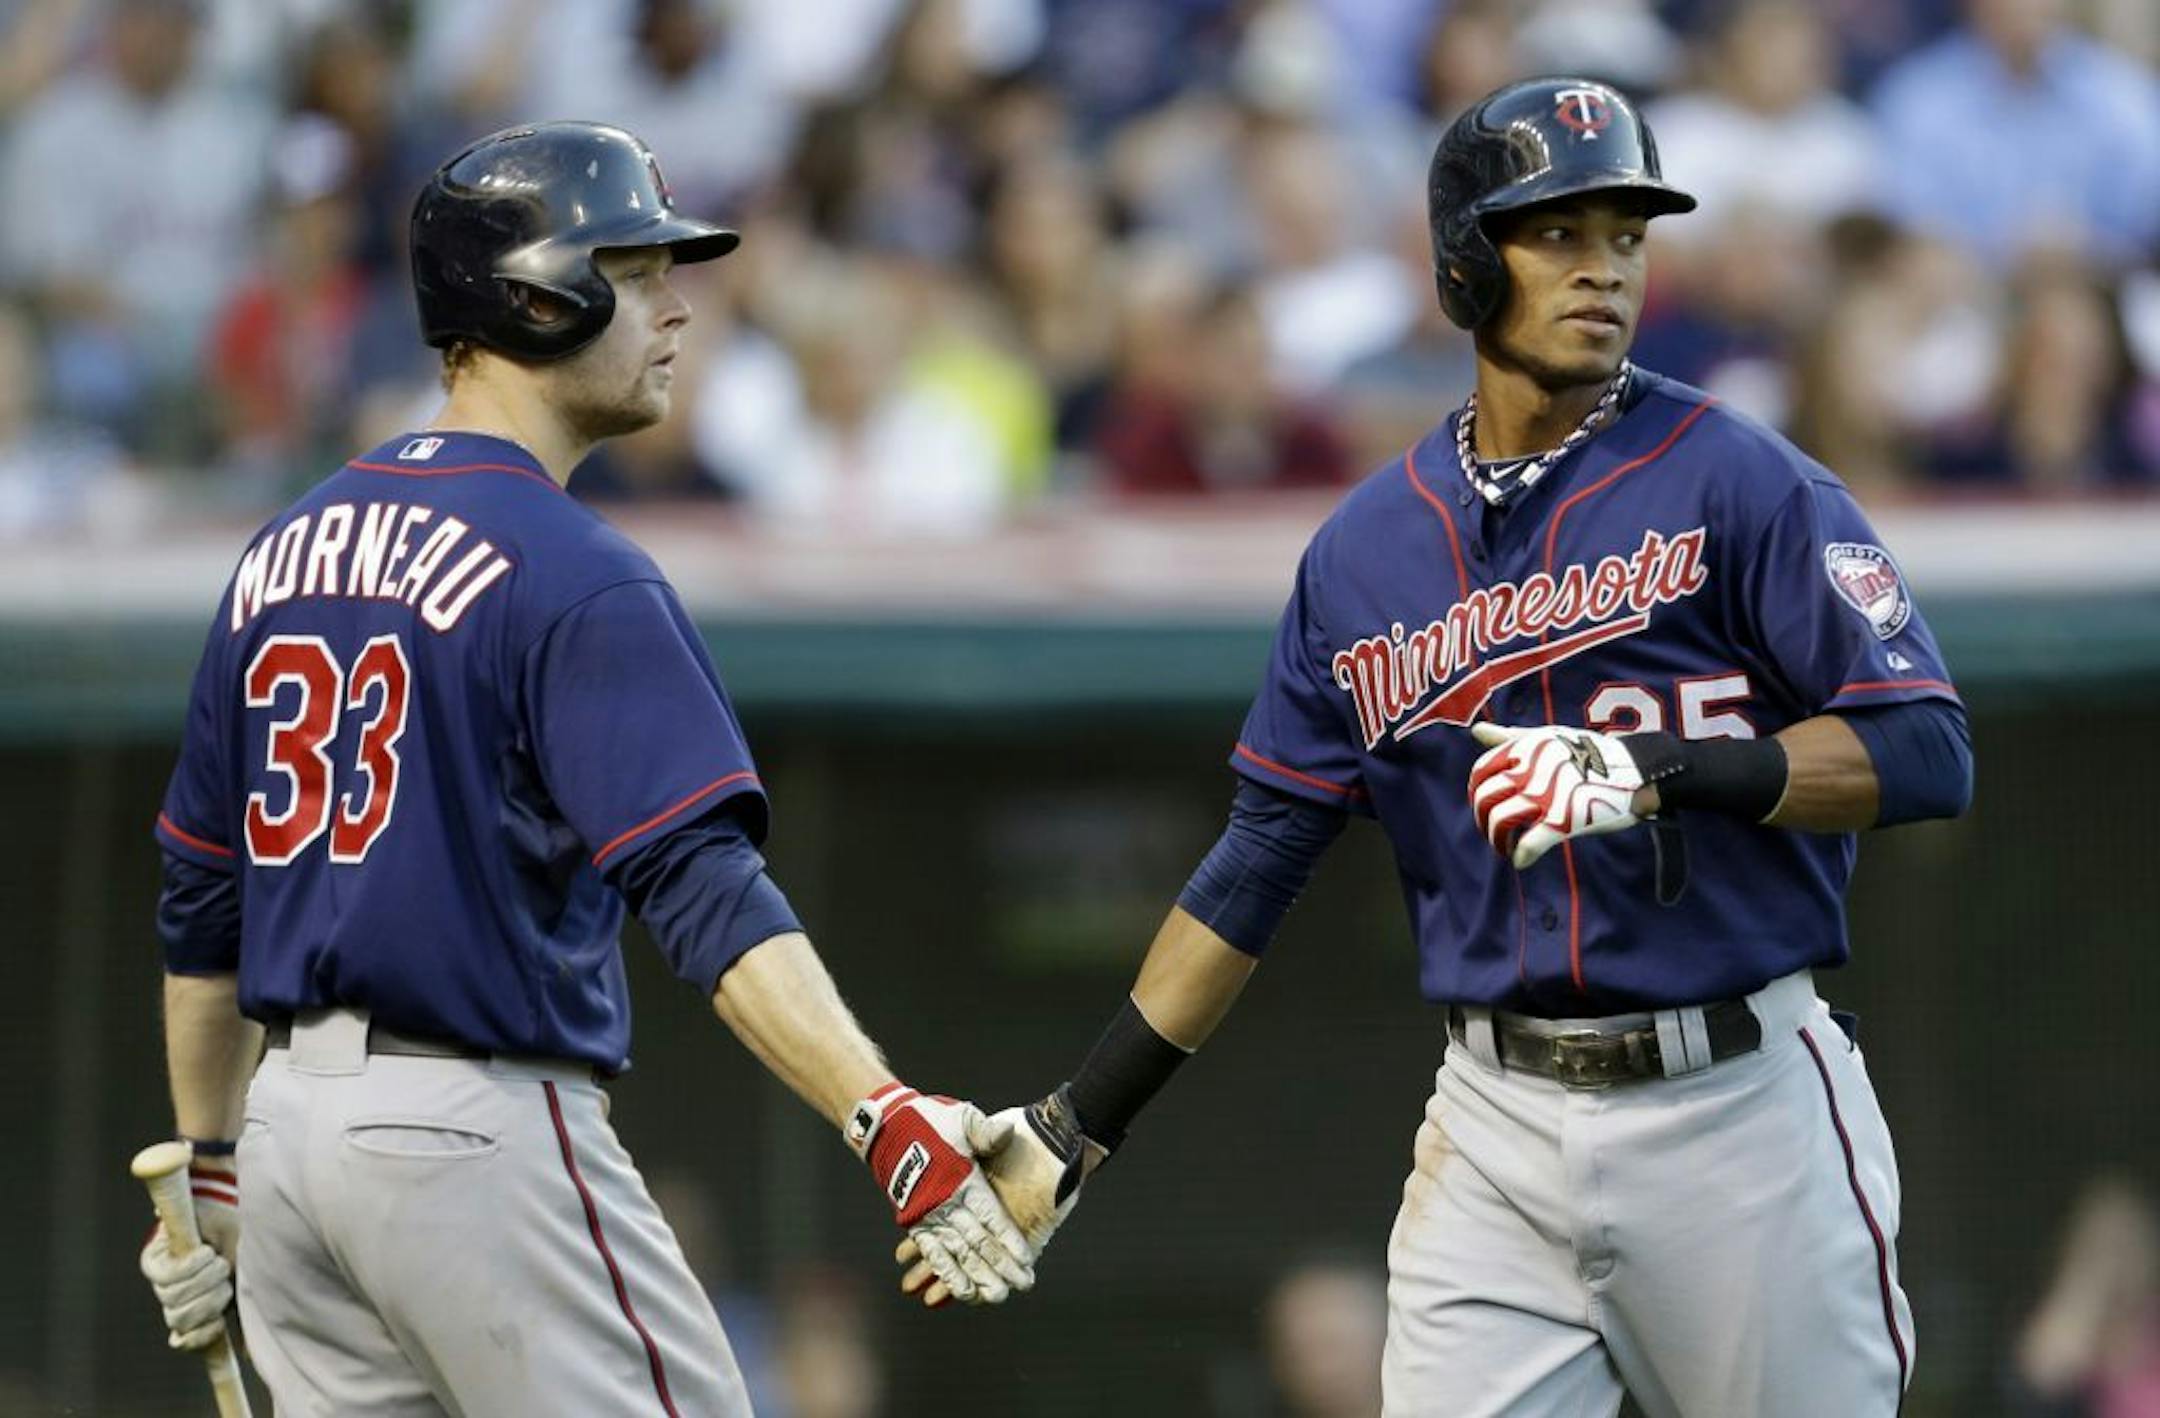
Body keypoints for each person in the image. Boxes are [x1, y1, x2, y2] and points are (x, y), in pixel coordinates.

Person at [924, 78, 1976, 1417]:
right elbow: (1256, 860)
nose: (1605, 266)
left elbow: (1928, 748)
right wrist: (1084, 1117)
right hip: (1496, 1118)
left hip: (1739, 1111)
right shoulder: (1365, 556)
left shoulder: (1740, 478)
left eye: (1628, 235)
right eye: (1562, 232)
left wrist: (1662, 770)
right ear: (1469, 259)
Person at [132, 121, 1033, 1414]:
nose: (677, 306)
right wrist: (881, 1111)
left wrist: (214, 1160)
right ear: (538, 295)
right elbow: (704, 889)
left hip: (285, 1143)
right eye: (640, 267)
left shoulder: (285, 547)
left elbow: (201, 904)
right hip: (469, 1129)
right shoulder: (572, 566)